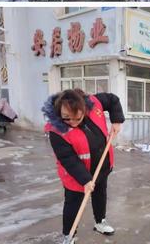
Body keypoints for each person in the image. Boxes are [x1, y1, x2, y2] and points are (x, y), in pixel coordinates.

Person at [42, 89, 125, 244]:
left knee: (100, 195)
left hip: (101, 167)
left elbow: (113, 100)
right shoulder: (56, 131)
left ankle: (100, 222)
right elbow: (68, 159)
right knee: (73, 205)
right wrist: (85, 180)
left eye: (77, 118)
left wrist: (116, 120)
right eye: (67, 118)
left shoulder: (94, 104)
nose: (72, 122)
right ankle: (69, 234)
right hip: (76, 176)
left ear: (84, 109)